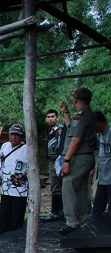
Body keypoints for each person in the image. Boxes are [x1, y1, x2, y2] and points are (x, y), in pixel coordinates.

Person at [59, 87, 97, 235]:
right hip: (87, 156)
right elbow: (71, 129)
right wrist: (66, 112)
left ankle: (72, 222)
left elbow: (75, 139)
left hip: (78, 157)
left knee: (68, 186)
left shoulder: (80, 116)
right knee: (80, 189)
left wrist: (66, 160)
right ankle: (83, 219)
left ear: (75, 99)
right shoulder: (89, 115)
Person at [0, 124, 29, 234]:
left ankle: (15, 236)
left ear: (22, 136)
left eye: (17, 135)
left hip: (19, 188)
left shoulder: (26, 149)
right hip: (5, 186)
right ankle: (3, 234)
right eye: (12, 134)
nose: (13, 137)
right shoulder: (5, 146)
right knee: (5, 213)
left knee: (17, 214)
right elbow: (1, 162)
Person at [40, 110, 66, 222]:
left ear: (57, 118)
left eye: (52, 117)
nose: (50, 119)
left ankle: (56, 212)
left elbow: (61, 146)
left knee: (56, 187)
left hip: (58, 160)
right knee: (56, 187)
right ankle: (59, 212)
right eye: (48, 117)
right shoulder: (49, 131)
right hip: (51, 161)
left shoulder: (59, 130)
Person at [90, 111, 110, 220]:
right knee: (96, 210)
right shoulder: (101, 135)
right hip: (103, 179)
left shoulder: (110, 132)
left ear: (97, 122)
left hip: (110, 179)